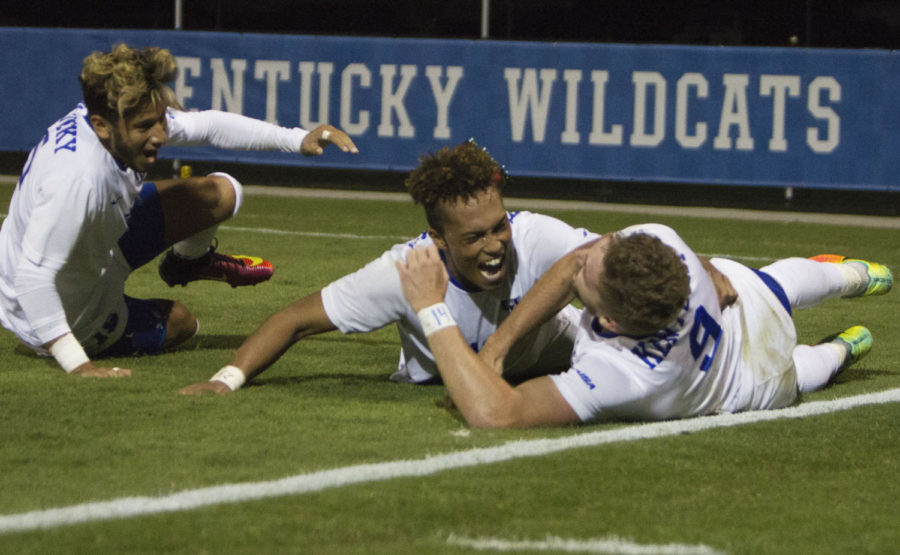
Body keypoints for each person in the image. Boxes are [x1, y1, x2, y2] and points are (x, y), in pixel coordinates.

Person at [0, 44, 358, 378]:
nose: (159, 134)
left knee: (221, 193)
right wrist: (78, 365)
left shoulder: (113, 114)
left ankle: (187, 262)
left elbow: (210, 126)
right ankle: (83, 332)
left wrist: (297, 139)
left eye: (159, 120)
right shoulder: (78, 179)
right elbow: (31, 278)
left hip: (99, 244)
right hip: (64, 306)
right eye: (145, 127)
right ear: (102, 127)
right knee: (184, 323)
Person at [179, 140, 598, 394]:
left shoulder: (533, 236)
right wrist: (227, 379)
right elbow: (295, 320)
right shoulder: (405, 269)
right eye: (474, 237)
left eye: (498, 227)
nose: (494, 246)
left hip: (560, 358)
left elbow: (612, 258)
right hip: (435, 380)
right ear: (439, 239)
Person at [395, 222, 893, 428]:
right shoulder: (658, 243)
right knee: (776, 282)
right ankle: (853, 276)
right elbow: (578, 263)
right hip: (739, 307)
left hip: (748, 381)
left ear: (609, 320)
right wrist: (498, 348)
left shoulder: (623, 373)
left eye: (588, 269)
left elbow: (496, 413)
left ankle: (841, 351)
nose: (581, 258)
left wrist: (429, 306)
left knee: (799, 373)